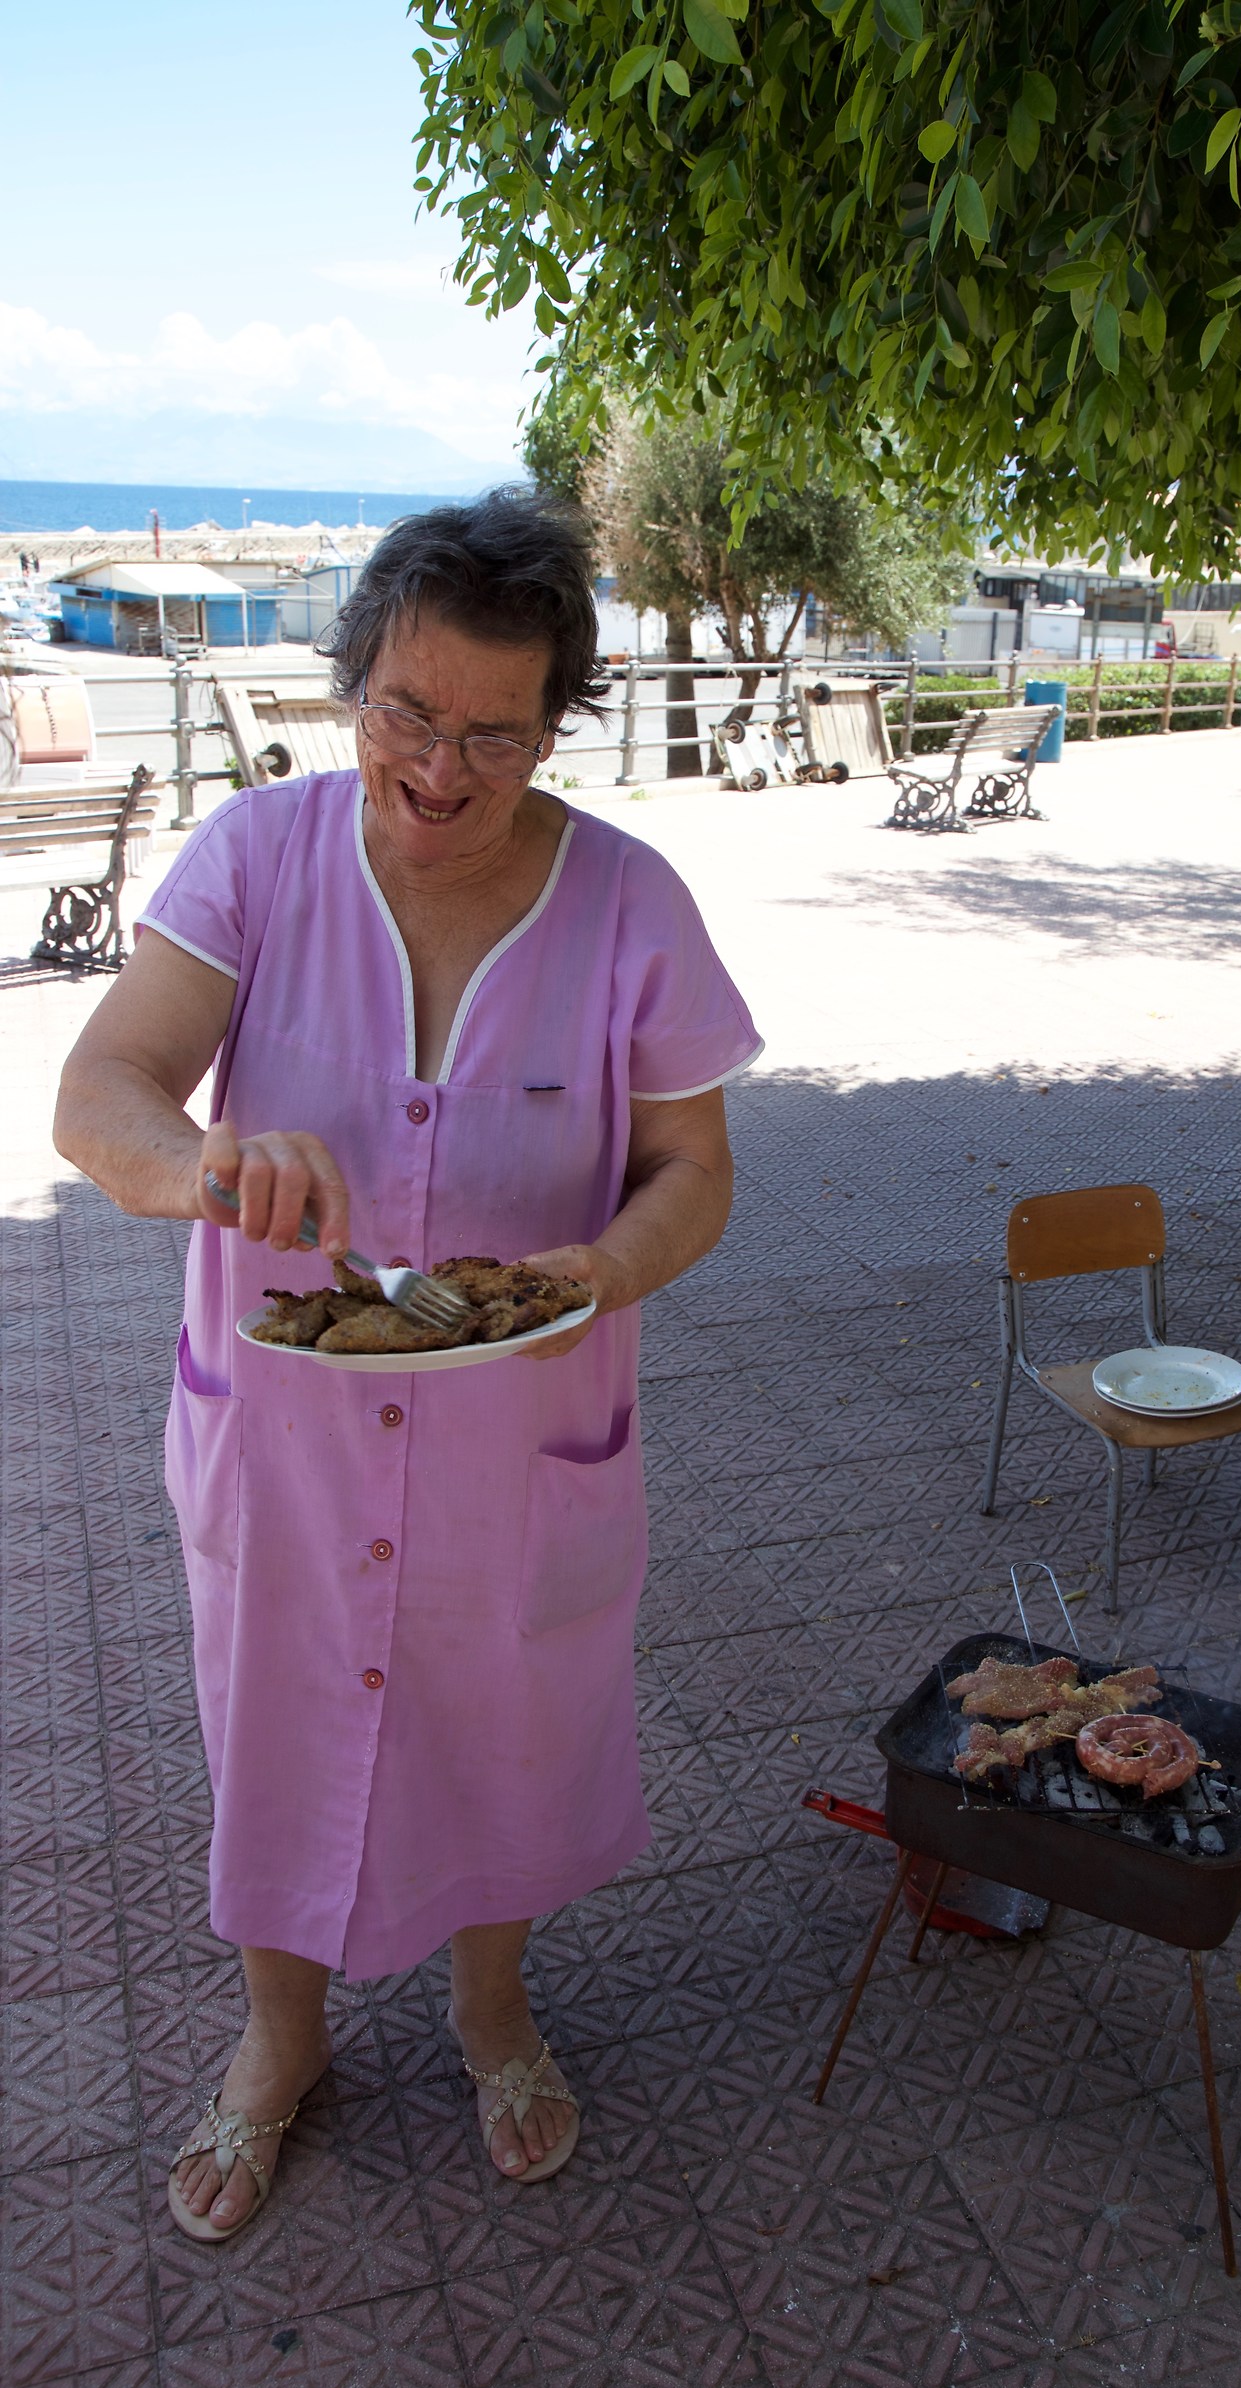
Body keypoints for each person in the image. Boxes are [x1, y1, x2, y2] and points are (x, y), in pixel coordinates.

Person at [54, 488, 762, 2240]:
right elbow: (103, 1090)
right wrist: (201, 1168)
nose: (441, 770)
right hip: (282, 1442)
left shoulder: (630, 905)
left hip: (527, 1441)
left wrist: (603, 1266)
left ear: (554, 727)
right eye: (406, 714)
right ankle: (276, 2042)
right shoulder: (257, 859)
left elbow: (697, 1170)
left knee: (511, 1724)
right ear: (353, 681)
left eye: (496, 736)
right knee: (278, 1727)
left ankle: (491, 2004)